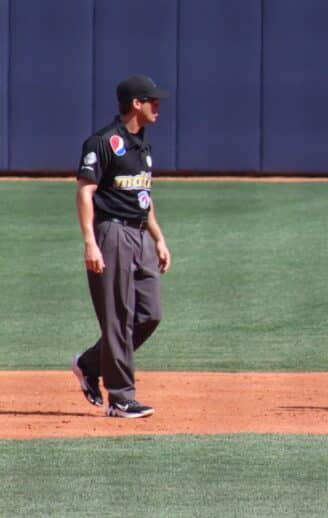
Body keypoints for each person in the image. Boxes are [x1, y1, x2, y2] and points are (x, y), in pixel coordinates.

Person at [71, 74, 172, 418]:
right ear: (136, 104)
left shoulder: (142, 146)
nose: (158, 105)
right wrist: (90, 243)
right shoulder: (102, 142)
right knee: (117, 316)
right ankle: (120, 397)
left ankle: (89, 362)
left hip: (141, 234)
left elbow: (144, 194)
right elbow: (85, 192)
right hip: (111, 234)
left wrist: (158, 237)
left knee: (149, 314)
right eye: (152, 100)